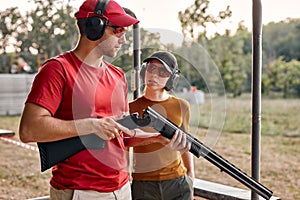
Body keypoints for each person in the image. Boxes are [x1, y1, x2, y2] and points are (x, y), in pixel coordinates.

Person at [125, 51, 195, 200]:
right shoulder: (129, 108)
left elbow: (185, 142)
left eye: (162, 71)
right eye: (151, 68)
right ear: (144, 71)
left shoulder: (182, 106)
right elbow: (124, 144)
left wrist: (190, 175)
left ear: (172, 78)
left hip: (177, 182)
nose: (154, 75)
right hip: (143, 184)